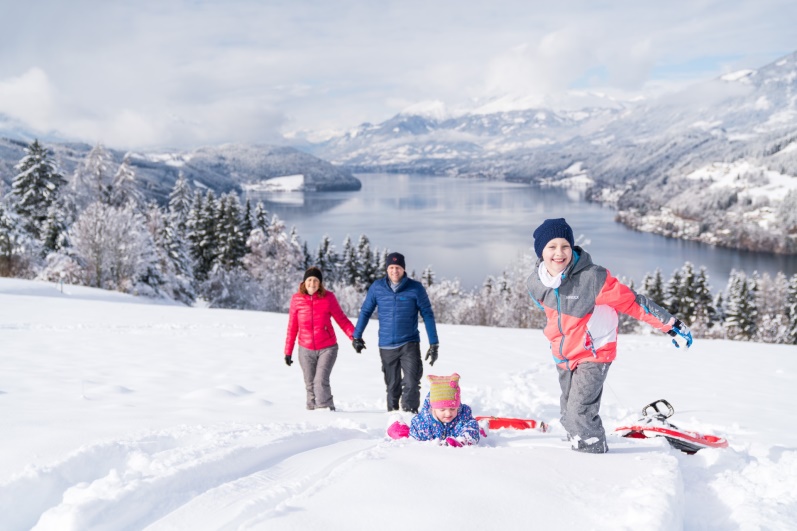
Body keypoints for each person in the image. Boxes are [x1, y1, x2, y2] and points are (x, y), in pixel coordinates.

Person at [527, 218, 694, 454]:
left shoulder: (593, 278)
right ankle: (577, 444)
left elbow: (633, 303)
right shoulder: (536, 282)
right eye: (551, 247)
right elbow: (552, 313)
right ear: (540, 252)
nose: (559, 253)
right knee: (567, 411)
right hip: (563, 355)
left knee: (580, 413)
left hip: (595, 352)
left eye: (565, 246)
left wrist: (670, 325)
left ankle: (593, 456)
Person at [352, 252, 439, 413]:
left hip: (409, 343)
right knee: (392, 386)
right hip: (386, 345)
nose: (394, 271)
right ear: (386, 269)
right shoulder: (377, 288)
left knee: (412, 382)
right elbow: (365, 311)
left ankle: (410, 414)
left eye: (397, 267)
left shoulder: (415, 288)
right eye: (391, 267)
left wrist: (434, 344)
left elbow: (427, 314)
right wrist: (356, 336)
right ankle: (393, 417)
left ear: (403, 269)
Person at [284, 266, 355, 411]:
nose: (312, 283)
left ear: (320, 283)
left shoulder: (328, 298)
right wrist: (288, 351)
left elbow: (342, 319)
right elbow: (292, 327)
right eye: (309, 280)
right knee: (309, 383)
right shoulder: (297, 300)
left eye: (316, 280)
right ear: (304, 282)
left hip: (327, 347)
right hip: (305, 349)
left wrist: (355, 337)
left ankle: (326, 409)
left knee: (320, 381)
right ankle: (312, 411)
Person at [386, 373, 481, 446]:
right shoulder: (423, 422)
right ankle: (396, 425)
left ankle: (483, 428)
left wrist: (462, 441)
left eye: (452, 408)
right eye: (442, 410)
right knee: (403, 434)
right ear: (433, 408)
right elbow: (414, 442)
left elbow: (471, 429)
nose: (448, 413)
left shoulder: (463, 417)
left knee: (475, 427)